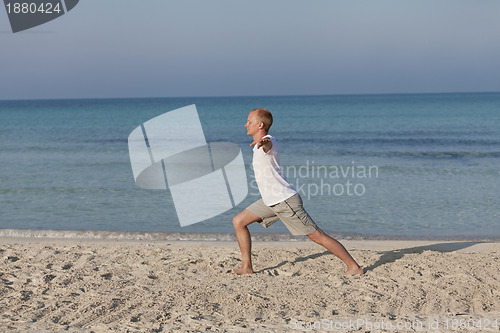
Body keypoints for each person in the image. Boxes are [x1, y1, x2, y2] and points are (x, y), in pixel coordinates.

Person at [232, 108, 364, 276]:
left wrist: (264, 142)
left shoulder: (268, 142)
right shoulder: (256, 146)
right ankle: (246, 267)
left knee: (318, 236)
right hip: (270, 200)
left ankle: (354, 267)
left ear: (260, 125)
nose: (246, 124)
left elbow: (268, 144)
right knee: (239, 221)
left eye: (249, 121)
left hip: (284, 201)